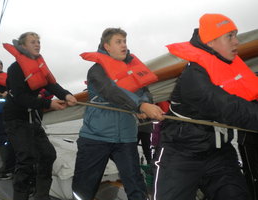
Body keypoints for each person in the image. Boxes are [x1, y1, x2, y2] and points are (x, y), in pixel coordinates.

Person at [153, 13, 258, 200]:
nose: (237, 42)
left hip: (219, 153)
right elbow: (230, 108)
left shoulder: (229, 68)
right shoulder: (193, 76)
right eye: (229, 36)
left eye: (236, 35)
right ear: (210, 42)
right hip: (180, 154)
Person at [72, 27, 165, 200]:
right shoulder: (96, 70)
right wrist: (141, 106)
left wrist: (145, 103)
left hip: (126, 137)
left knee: (136, 184)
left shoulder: (132, 68)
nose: (124, 45)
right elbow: (111, 91)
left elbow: (145, 91)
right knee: (83, 187)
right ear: (107, 46)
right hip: (95, 137)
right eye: (118, 42)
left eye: (125, 41)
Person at [3, 32, 77, 200]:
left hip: (33, 119)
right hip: (16, 120)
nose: (37, 44)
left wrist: (66, 95)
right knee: (26, 159)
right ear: (22, 47)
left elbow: (51, 84)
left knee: (48, 155)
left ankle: (41, 195)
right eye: (33, 42)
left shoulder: (39, 66)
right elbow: (20, 97)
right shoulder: (15, 68)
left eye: (38, 42)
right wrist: (48, 104)